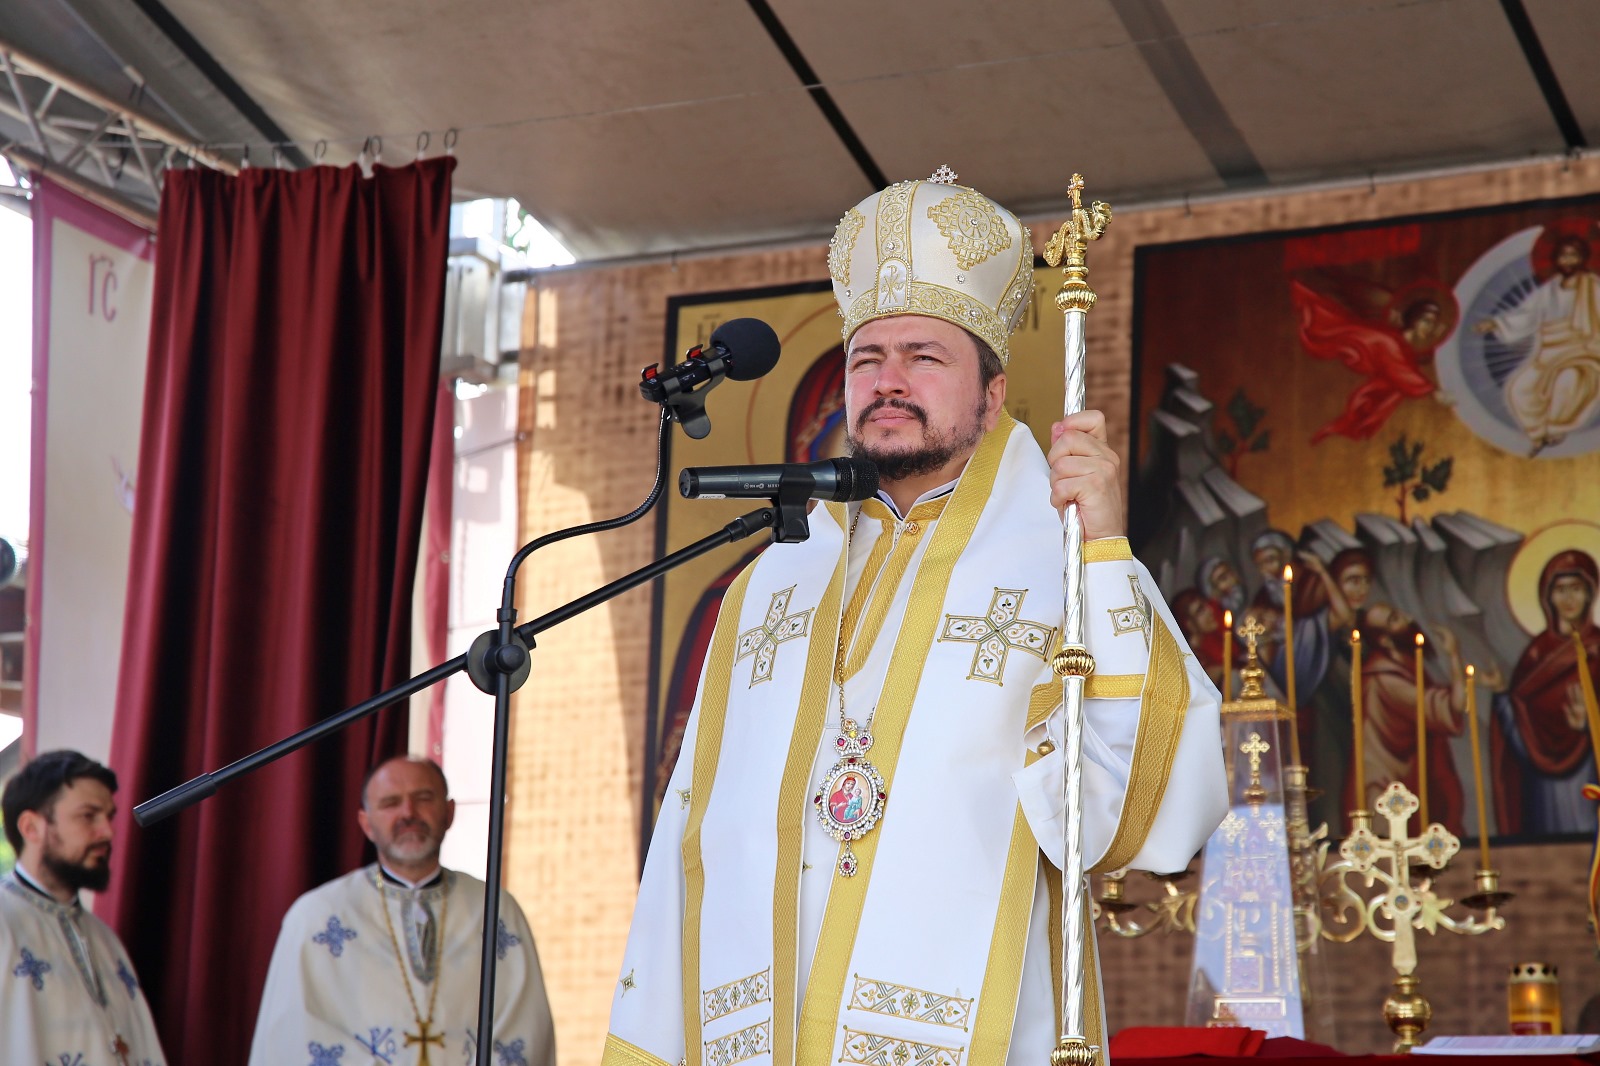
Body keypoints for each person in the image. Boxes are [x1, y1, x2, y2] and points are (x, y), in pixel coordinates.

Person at [603, 172, 1227, 1065]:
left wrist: (1106, 550)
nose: (888, 381)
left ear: (993, 391)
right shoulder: (772, 581)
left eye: (924, 357)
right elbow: (690, 835)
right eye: (867, 359)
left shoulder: (1065, 563)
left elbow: (1149, 815)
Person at [249, 756, 554, 1066]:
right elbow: (291, 1035)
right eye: (391, 803)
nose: (408, 813)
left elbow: (527, 1027)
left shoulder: (496, 911)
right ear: (366, 824)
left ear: (449, 813)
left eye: (424, 798)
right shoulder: (317, 917)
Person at [0, 749, 166, 1065]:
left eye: (109, 816)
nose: (108, 831)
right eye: (88, 816)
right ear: (31, 828)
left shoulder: (104, 940)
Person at [1492, 549, 1600, 835]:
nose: (1568, 599)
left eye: (1576, 589)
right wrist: (1502, 695)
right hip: (1540, 780)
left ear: (1590, 593)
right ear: (1547, 597)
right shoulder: (1535, 655)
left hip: (1590, 768)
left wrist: (1590, 724)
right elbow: (1519, 716)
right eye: (1560, 590)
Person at [1475, 235, 1600, 455]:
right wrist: (1496, 323)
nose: (1568, 260)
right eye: (1563, 255)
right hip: (1548, 355)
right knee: (1518, 389)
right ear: (1556, 259)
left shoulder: (1593, 287)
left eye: (1573, 255)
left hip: (1583, 353)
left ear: (1582, 258)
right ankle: (1538, 435)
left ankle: (1556, 429)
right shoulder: (1550, 289)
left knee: (1568, 380)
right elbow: (1527, 315)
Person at [1354, 605, 1468, 822]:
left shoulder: (1400, 666)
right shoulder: (1386, 679)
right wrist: (1454, 654)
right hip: (1387, 790)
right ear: (1385, 641)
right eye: (1395, 619)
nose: (1409, 616)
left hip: (1408, 780)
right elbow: (1454, 705)